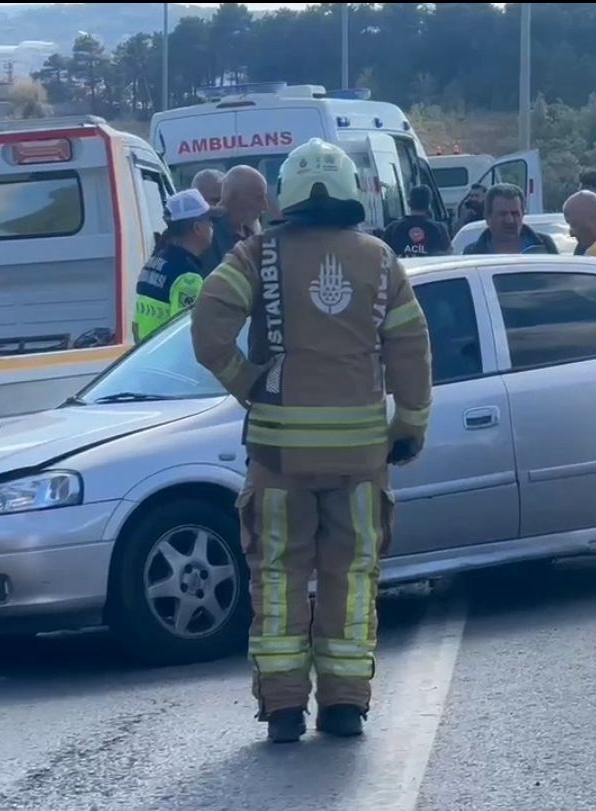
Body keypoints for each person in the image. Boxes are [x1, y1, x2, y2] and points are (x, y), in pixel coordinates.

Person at [190, 138, 434, 743]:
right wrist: (410, 424)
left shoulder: (256, 256)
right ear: (352, 190)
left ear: (288, 193)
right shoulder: (380, 259)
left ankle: (281, 710)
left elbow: (207, 327)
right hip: (359, 460)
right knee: (351, 577)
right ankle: (345, 704)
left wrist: (250, 384)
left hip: (277, 459)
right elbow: (411, 349)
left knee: (278, 576)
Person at [133, 189, 214, 343]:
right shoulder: (187, 275)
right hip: (167, 357)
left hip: (147, 351)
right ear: (197, 228)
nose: (212, 225)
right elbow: (184, 333)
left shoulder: (157, 259)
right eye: (209, 220)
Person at [199, 165, 270, 271]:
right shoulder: (209, 235)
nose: (265, 206)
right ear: (234, 198)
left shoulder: (249, 231)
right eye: (258, 198)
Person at [462, 183, 559, 255]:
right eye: (502, 214)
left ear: (523, 215)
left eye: (515, 214)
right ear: (488, 217)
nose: (510, 220)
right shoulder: (473, 253)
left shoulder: (545, 246)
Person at [383, 185, 453, 258]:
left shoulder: (393, 228)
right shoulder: (439, 229)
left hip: (402, 269)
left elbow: (383, 254)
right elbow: (448, 254)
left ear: (409, 203)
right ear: (429, 204)